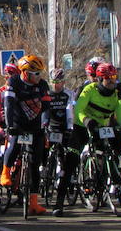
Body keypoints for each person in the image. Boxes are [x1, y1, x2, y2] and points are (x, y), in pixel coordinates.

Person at [59, 63, 121, 213]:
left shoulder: (116, 92)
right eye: (108, 78)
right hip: (83, 125)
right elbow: (78, 110)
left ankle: (112, 178)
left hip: (102, 126)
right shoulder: (89, 90)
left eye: (114, 77)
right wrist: (87, 121)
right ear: (100, 79)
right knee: (71, 162)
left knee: (117, 145)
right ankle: (59, 203)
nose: (113, 82)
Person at [0, 54, 50, 216]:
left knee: (35, 164)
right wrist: (10, 126)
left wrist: (45, 124)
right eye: (36, 73)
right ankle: (5, 172)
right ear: (26, 72)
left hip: (35, 125)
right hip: (18, 123)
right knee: (14, 145)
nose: (39, 76)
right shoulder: (13, 81)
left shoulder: (42, 84)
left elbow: (46, 107)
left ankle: (34, 203)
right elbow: (8, 104)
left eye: (40, 73)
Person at [42, 67, 74, 217]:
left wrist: (70, 127)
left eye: (59, 82)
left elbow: (70, 111)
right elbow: (45, 112)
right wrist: (44, 126)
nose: (56, 85)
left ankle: (66, 175)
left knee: (64, 154)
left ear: (63, 82)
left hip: (64, 127)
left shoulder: (68, 94)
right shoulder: (47, 94)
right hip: (51, 127)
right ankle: (46, 169)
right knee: (45, 150)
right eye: (53, 82)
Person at [0, 61, 20, 132]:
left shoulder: (23, 89)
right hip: (6, 124)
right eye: (7, 73)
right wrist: (1, 123)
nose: (7, 76)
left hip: (22, 123)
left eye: (11, 74)